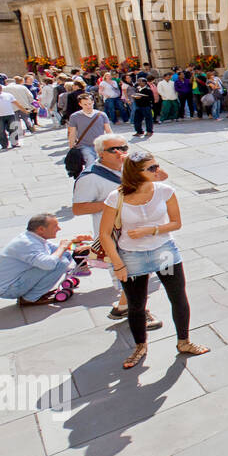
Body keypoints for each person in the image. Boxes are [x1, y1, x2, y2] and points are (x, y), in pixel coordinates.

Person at [100, 151, 207, 369]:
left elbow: (176, 223)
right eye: (152, 168)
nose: (158, 171)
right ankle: (140, 346)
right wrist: (117, 264)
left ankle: (184, 341)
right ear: (136, 174)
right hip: (132, 257)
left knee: (178, 297)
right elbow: (104, 234)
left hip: (164, 253)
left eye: (157, 166)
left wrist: (153, 229)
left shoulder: (165, 191)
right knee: (137, 305)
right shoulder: (116, 197)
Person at [72, 134, 162, 326]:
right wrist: (114, 204)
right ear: (100, 154)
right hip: (115, 235)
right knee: (130, 276)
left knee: (141, 272)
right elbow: (78, 208)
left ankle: (121, 308)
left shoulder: (128, 168)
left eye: (124, 147)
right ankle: (139, 314)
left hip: (139, 230)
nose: (120, 152)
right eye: (114, 150)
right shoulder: (90, 177)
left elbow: (160, 178)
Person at [0, 212, 88, 306]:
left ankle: (34, 293)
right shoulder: (28, 243)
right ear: (41, 229)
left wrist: (77, 243)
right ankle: (30, 298)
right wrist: (62, 247)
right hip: (8, 289)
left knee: (64, 255)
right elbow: (49, 264)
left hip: (14, 282)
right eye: (55, 226)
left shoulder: (34, 238)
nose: (59, 229)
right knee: (61, 262)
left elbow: (58, 249)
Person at [66, 93, 112, 171]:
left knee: (103, 165)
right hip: (84, 145)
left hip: (100, 145)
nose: (88, 106)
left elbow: (108, 130)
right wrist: (71, 148)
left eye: (90, 104)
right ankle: (90, 179)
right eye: (85, 104)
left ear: (93, 102)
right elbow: (72, 133)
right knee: (90, 163)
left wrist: (113, 144)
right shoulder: (74, 116)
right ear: (80, 104)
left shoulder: (101, 115)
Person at [0, 81, 26, 150]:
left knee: (13, 129)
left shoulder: (8, 95)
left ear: (1, 88)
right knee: (1, 131)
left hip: (10, 114)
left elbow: (17, 103)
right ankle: (4, 145)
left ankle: (14, 143)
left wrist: (24, 110)